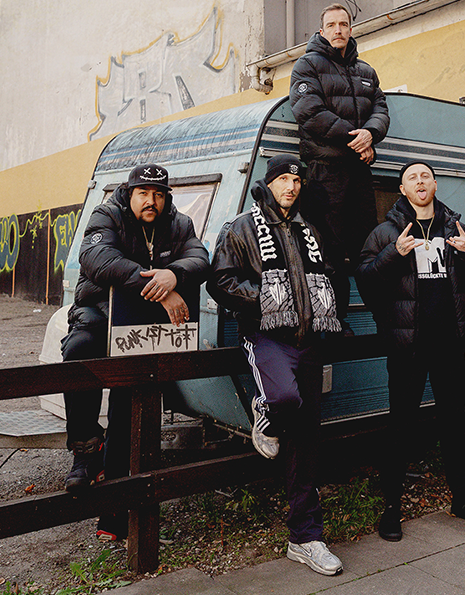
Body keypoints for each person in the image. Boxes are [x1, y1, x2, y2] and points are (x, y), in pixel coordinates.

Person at [208, 154, 343, 576]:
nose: (291, 186)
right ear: (268, 184)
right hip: (267, 336)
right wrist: (266, 300)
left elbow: (328, 273)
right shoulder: (241, 227)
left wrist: (329, 314)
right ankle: (263, 410)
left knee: (305, 445)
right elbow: (221, 282)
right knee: (282, 396)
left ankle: (306, 538)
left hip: (309, 342)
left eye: (296, 180)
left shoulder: (308, 228)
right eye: (283, 179)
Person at [62, 163, 210, 541]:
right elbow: (97, 261)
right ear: (129, 194)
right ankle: (84, 448)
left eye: (159, 194)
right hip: (97, 313)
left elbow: (200, 258)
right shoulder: (106, 214)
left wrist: (174, 275)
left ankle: (113, 514)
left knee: (131, 407)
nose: (152, 201)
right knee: (79, 353)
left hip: (140, 327)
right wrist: (160, 286)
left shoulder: (179, 224)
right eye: (144, 193)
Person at [357, 161, 465, 541]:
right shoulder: (386, 231)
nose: (419, 182)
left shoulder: (455, 226)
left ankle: (461, 499)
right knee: (400, 427)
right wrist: (394, 253)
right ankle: (391, 510)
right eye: (411, 179)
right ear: (403, 190)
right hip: (407, 347)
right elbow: (366, 282)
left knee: (454, 424)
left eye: (425, 176)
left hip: (449, 344)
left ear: (434, 184)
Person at [289, 3, 390, 330]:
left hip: (359, 173)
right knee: (327, 248)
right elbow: (309, 112)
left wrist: (371, 133)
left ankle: (382, 315)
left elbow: (381, 110)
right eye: (331, 24)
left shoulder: (366, 71)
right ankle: (335, 318)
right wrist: (357, 140)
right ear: (321, 31)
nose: (338, 30)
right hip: (325, 171)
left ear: (350, 29)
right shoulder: (306, 66)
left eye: (343, 24)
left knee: (367, 244)